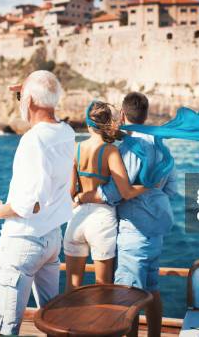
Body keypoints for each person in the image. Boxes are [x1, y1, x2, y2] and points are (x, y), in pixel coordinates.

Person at [0, 70, 75, 336]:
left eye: (20, 95)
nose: (19, 100)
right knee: (53, 321)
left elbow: (30, 205)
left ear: (30, 99)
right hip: (51, 239)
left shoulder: (33, 140)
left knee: (4, 328)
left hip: (23, 241)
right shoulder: (66, 132)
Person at [76, 92, 177, 337]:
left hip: (135, 232)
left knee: (126, 297)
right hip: (156, 232)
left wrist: (85, 196)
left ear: (122, 115)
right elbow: (171, 189)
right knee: (152, 290)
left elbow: (117, 192)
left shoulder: (132, 148)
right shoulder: (161, 145)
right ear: (146, 114)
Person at [63, 101, 147, 292]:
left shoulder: (75, 148)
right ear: (108, 123)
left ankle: (71, 322)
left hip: (76, 219)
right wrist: (148, 186)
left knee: (71, 286)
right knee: (103, 288)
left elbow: (69, 192)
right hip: (101, 221)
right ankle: (100, 322)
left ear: (87, 124)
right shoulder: (111, 151)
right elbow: (126, 192)